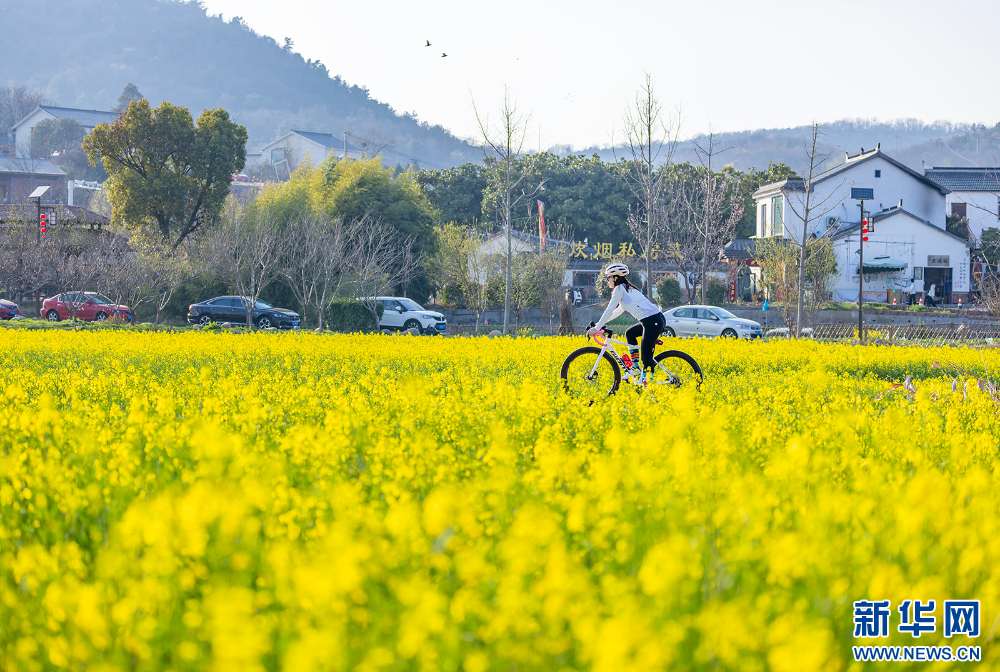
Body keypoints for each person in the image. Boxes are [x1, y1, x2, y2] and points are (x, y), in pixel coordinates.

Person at [586, 263, 665, 388]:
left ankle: (648, 390)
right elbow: (616, 311)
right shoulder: (626, 289)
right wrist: (598, 325)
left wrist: (596, 328)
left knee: (646, 357)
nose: (607, 281)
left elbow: (609, 310)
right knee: (630, 333)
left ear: (615, 278)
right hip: (653, 320)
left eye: (608, 278)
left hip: (652, 321)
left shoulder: (620, 290)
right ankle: (635, 368)